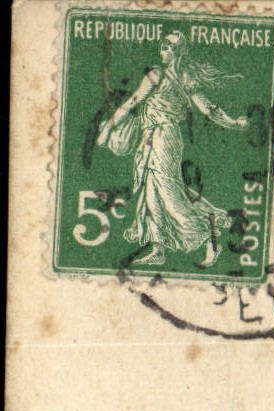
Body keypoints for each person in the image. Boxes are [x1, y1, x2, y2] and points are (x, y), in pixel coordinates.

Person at [95, 30, 248, 269]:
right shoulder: (157, 75)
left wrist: (233, 123)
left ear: (178, 52)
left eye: (168, 47)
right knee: (153, 191)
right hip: (151, 138)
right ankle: (158, 248)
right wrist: (108, 128)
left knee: (167, 192)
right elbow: (132, 102)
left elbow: (208, 109)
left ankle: (209, 237)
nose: (163, 51)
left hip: (164, 138)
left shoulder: (183, 78)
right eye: (162, 46)